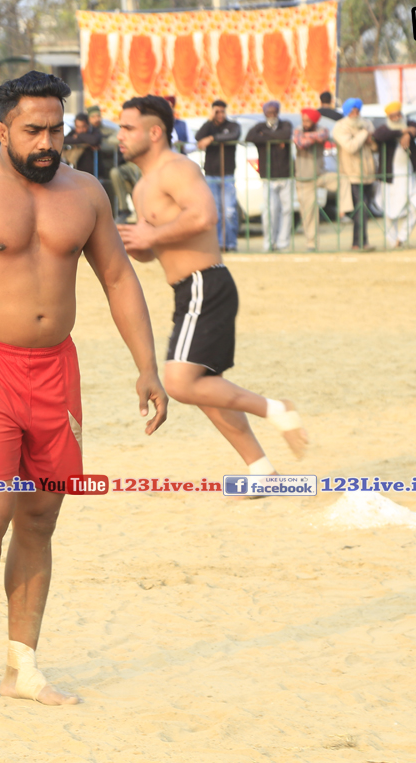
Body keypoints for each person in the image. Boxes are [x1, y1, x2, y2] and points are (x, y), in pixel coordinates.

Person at [0, 71, 168, 705]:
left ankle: (21, 667)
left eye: (56, 129)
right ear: (3, 131)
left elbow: (118, 279)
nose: (48, 142)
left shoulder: (85, 193)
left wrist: (147, 366)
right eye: (33, 131)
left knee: (41, 517)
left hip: (56, 371)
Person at [115, 95, 307, 491]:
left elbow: (204, 215)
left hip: (206, 283)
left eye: (128, 128)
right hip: (188, 290)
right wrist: (137, 244)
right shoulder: (142, 188)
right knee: (205, 387)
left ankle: (276, 408)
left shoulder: (177, 168)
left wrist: (152, 235)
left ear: (155, 132)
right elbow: (154, 249)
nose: (120, 135)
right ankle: (262, 472)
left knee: (181, 383)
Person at [372, 101, 416, 249]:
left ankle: (402, 237)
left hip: (409, 175)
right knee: (389, 211)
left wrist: (408, 133)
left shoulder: (409, 123)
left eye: (398, 115)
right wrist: (403, 132)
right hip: (390, 177)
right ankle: (393, 242)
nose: (396, 118)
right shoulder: (385, 128)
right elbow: (379, 135)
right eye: (392, 116)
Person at [244, 100, 293, 251]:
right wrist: (274, 138)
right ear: (264, 113)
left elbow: (285, 135)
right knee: (270, 211)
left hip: (285, 174)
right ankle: (269, 242)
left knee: (287, 210)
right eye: (269, 112)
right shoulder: (259, 127)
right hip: (268, 175)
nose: (272, 115)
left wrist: (265, 136)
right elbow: (249, 137)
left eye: (274, 112)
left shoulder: (285, 124)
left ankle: (283, 242)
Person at [194, 99, 240, 251]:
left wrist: (212, 138)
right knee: (216, 213)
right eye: (217, 112)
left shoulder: (232, 125)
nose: (220, 114)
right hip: (211, 175)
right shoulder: (209, 126)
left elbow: (234, 135)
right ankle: (219, 244)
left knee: (229, 212)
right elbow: (198, 137)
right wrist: (209, 120)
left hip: (227, 174)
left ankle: (231, 243)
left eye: (222, 111)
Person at [331, 98, 377, 251]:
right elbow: (350, 147)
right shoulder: (340, 127)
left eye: (357, 111)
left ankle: (362, 242)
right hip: (352, 175)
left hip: (368, 174)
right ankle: (358, 243)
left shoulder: (367, 123)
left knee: (365, 210)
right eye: (352, 111)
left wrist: (370, 140)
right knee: (359, 210)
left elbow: (375, 146)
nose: (355, 114)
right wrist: (364, 134)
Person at [293, 108, 332, 251]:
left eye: (308, 121)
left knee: (343, 181)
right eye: (303, 120)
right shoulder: (298, 130)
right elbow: (300, 142)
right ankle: (311, 243)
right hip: (304, 178)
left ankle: (345, 210)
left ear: (314, 122)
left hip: (321, 174)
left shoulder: (322, 129)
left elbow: (323, 135)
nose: (305, 123)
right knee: (308, 213)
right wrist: (314, 138)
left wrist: (309, 137)